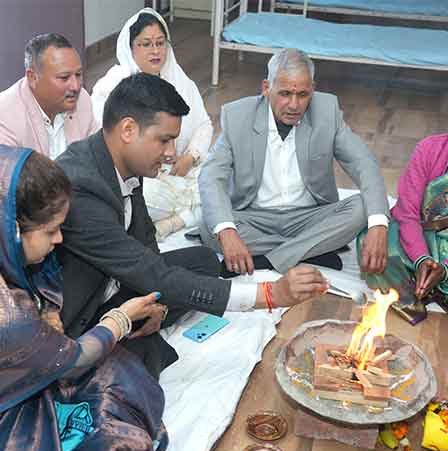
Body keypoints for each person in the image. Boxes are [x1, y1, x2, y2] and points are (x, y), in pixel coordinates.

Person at [56, 72, 329, 379]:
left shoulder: (124, 163)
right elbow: (153, 272)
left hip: (119, 279)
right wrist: (270, 295)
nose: (171, 153)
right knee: (139, 367)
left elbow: (147, 247)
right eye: (164, 140)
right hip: (84, 315)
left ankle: (142, 325)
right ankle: (122, 346)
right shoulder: (81, 187)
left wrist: (156, 303)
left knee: (202, 261)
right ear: (128, 129)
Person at [0, 146, 169, 451]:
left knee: (122, 367)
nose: (59, 239)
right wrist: (120, 319)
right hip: (11, 420)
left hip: (23, 376)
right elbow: (74, 361)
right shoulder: (8, 314)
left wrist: (48, 315)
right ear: (12, 230)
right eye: (51, 231)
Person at [198, 48, 389, 277]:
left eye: (303, 95)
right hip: (254, 217)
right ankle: (310, 251)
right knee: (210, 226)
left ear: (313, 90)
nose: (294, 105)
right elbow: (210, 176)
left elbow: (364, 163)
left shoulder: (327, 111)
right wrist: (228, 232)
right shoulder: (237, 115)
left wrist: (378, 225)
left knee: (362, 207)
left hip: (309, 216)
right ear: (266, 88)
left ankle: (266, 260)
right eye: (285, 93)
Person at [359, 78, 448, 331]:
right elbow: (407, 213)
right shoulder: (428, 149)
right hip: (419, 237)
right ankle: (439, 288)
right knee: (372, 244)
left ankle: (425, 285)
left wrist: (446, 269)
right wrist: (421, 258)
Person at [92, 8, 212, 237]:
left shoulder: (179, 80)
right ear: (130, 48)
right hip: (140, 176)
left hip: (180, 171)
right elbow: (107, 142)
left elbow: (204, 124)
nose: (155, 51)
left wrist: (190, 157)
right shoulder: (110, 87)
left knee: (223, 177)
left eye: (160, 43)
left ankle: (173, 222)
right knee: (138, 196)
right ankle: (193, 212)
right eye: (146, 44)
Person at [0, 33, 98, 159]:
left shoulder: (82, 99)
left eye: (78, 74)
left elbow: (96, 155)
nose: (76, 86)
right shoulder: (5, 116)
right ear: (33, 78)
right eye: (64, 77)